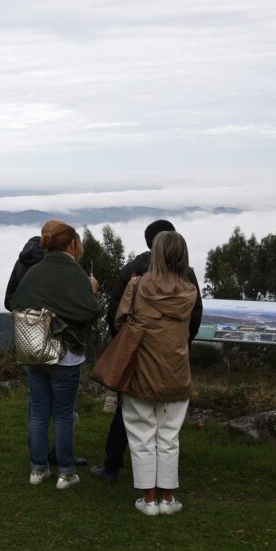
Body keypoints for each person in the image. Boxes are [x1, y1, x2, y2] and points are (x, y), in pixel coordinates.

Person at [91, 219, 203, 482]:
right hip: (173, 356)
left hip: (138, 354)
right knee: (167, 423)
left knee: (128, 412)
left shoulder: (133, 271)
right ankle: (163, 481)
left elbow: (114, 314)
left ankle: (112, 465)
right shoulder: (187, 277)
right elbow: (195, 316)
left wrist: (125, 344)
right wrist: (182, 343)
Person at [11, 220, 99, 490]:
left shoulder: (34, 271)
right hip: (65, 355)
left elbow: (16, 303)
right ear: (72, 244)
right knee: (62, 414)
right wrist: (91, 290)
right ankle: (66, 473)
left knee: (38, 411)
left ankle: (38, 470)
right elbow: (89, 312)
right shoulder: (74, 273)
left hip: (34, 352)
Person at [120, 231, 198, 516]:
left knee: (141, 434)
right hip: (176, 371)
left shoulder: (137, 285)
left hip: (141, 369)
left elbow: (120, 321)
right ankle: (168, 497)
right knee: (169, 436)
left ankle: (149, 499)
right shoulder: (190, 291)